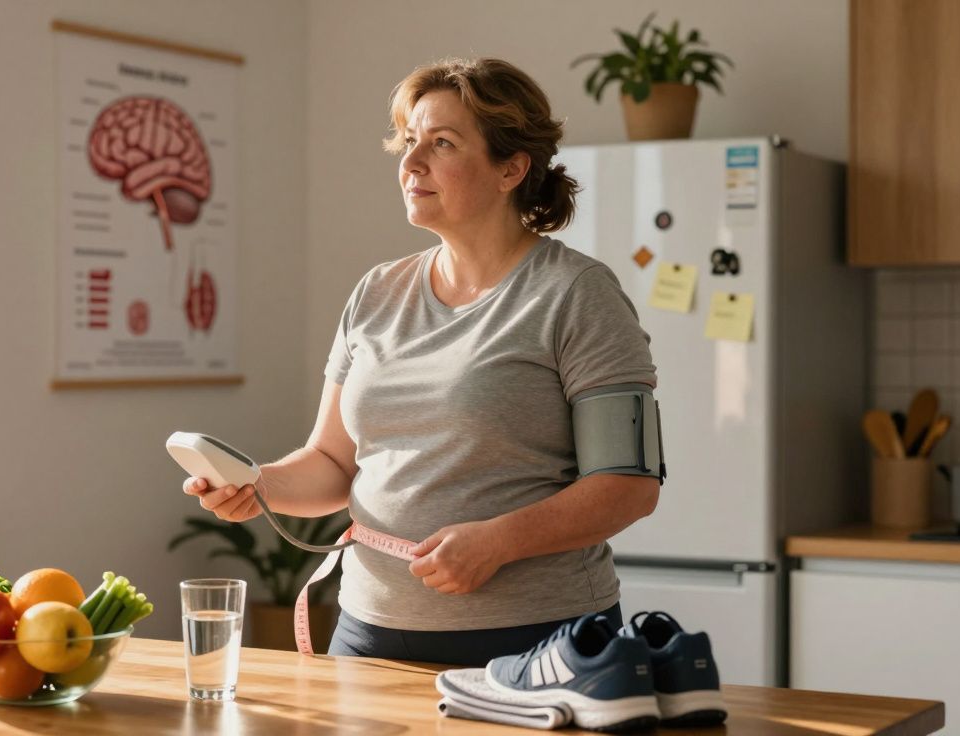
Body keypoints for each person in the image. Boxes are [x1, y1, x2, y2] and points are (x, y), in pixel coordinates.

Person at [182, 57, 660, 666]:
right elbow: (333, 462)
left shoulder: (575, 294)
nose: (411, 163)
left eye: (442, 143)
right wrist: (259, 485)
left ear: (511, 168)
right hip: (368, 630)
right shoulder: (377, 293)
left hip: (532, 638)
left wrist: (499, 542)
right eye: (409, 141)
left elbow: (627, 487)